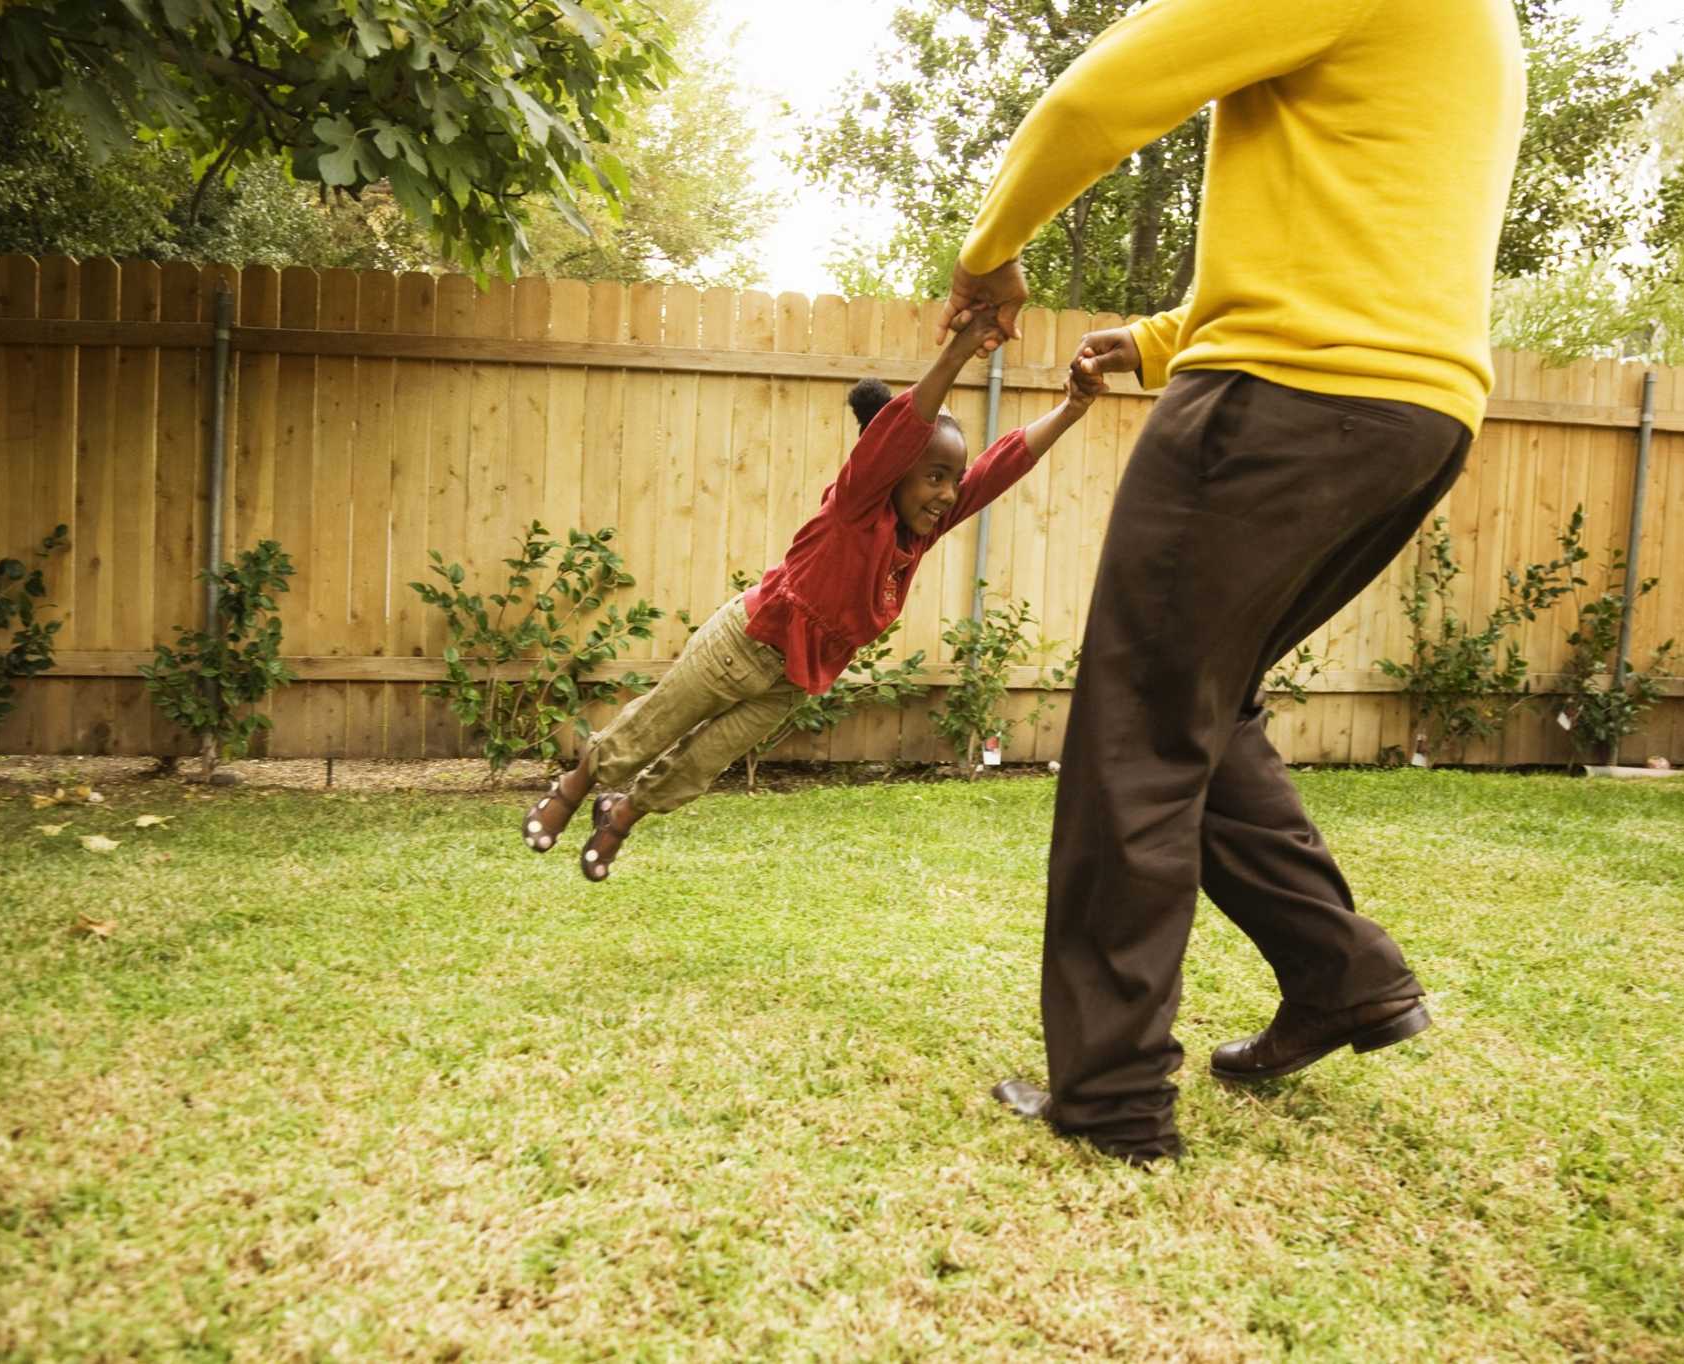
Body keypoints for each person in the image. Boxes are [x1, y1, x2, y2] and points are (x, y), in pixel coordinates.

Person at [948, 0, 1528, 1164]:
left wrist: (986, 253)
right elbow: (1363, 223)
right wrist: (1162, 340)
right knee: (1207, 711)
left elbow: (1092, 100)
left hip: (1282, 400)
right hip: (1413, 413)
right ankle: (1341, 975)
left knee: (1141, 725)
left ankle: (1110, 1095)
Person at [521, 310, 1106, 880]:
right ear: (891, 472)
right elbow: (900, 431)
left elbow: (1002, 465)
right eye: (934, 476)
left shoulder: (917, 536)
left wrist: (1073, 408)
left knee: (700, 764)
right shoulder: (855, 507)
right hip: (744, 644)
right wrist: (958, 350)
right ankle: (574, 787)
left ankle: (622, 814)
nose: (948, 493)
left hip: (793, 681)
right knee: (650, 731)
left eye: (953, 479)